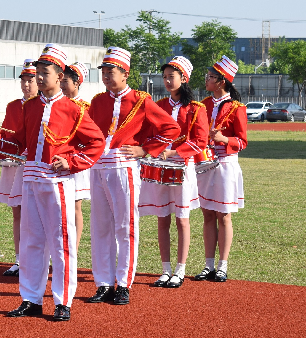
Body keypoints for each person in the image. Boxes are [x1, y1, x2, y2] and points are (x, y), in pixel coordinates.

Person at [0, 44, 105, 321]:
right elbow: (17, 141)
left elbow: (96, 142)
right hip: (30, 178)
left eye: (45, 73)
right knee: (31, 242)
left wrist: (72, 162)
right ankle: (31, 298)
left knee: (61, 241)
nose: (39, 78)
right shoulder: (30, 107)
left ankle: (63, 301)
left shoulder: (73, 109)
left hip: (56, 181)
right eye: (38, 73)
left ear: (59, 76)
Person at [87, 47, 180, 305]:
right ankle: (104, 283)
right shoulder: (97, 101)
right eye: (103, 71)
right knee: (101, 227)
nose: (105, 75)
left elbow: (171, 128)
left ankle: (124, 283)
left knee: (125, 226)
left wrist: (145, 149)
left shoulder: (140, 100)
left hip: (123, 167)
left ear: (125, 73)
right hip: (98, 168)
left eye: (111, 71)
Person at [137, 57, 208, 288]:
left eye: (172, 76)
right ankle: (165, 270)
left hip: (182, 168)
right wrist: (154, 150)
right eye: (164, 77)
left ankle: (180, 269)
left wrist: (175, 152)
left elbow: (200, 141)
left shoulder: (196, 109)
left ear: (184, 79)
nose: (167, 81)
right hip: (160, 167)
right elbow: (147, 134)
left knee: (182, 220)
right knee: (162, 218)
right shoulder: (159, 106)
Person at [194, 56, 247, 283]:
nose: (207, 79)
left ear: (222, 81)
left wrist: (225, 139)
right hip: (204, 163)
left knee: (223, 215)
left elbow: (243, 142)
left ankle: (222, 265)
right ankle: (208, 265)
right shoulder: (203, 105)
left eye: (211, 77)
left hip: (225, 164)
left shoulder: (237, 107)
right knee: (207, 214)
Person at [0, 59, 39, 277]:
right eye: (23, 80)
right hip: (15, 164)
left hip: (34, 165)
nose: (26, 84)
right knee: (18, 213)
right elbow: (6, 134)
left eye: (30, 80)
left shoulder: (43, 104)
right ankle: (18, 259)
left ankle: (38, 258)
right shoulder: (13, 106)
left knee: (37, 214)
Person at [60, 62, 91, 249]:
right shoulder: (57, 104)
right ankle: (59, 248)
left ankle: (74, 249)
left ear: (77, 83)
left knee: (75, 206)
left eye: (65, 81)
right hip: (57, 161)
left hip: (76, 161)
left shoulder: (86, 107)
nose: (62, 85)